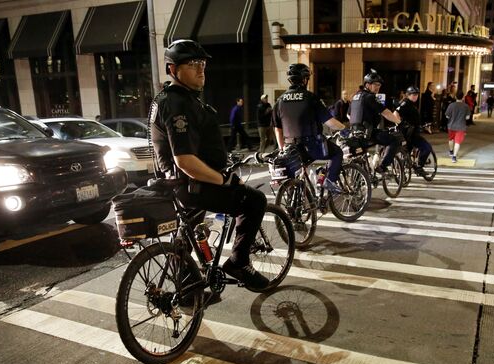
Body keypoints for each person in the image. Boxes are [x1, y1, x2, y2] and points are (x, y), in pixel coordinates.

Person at [150, 39, 268, 288]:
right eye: (192, 64)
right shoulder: (178, 102)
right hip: (194, 184)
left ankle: (187, 287)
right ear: (173, 69)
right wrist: (223, 179)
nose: (201, 69)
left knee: (188, 233)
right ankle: (238, 262)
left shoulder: (170, 99)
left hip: (183, 184)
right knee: (255, 201)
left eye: (202, 63)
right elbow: (185, 160)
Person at [272, 63, 346, 193]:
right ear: (305, 79)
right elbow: (330, 123)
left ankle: (298, 197)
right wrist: (343, 127)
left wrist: (282, 148)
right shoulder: (311, 98)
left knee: (297, 169)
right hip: (312, 146)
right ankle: (329, 180)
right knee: (337, 153)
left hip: (291, 147)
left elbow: (277, 128)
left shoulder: (280, 100)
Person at [348, 69, 403, 174]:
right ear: (367, 85)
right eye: (375, 84)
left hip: (354, 133)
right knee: (393, 141)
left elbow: (349, 114)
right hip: (368, 132)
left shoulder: (355, 96)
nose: (378, 87)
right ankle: (382, 167)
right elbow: (385, 112)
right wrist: (399, 122)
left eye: (379, 85)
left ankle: (367, 171)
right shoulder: (370, 97)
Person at [394, 86, 433, 176]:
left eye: (417, 95)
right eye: (413, 94)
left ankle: (403, 173)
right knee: (427, 148)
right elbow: (395, 113)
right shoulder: (406, 103)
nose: (416, 96)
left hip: (411, 133)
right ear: (408, 95)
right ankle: (419, 167)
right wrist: (400, 125)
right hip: (410, 134)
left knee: (407, 154)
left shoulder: (411, 104)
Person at [445, 90, 471, 163]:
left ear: (455, 96)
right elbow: (467, 118)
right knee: (457, 142)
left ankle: (451, 151)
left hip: (451, 126)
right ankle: (454, 157)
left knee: (451, 139)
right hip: (461, 126)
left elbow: (447, 116)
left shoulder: (451, 105)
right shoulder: (466, 106)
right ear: (463, 97)